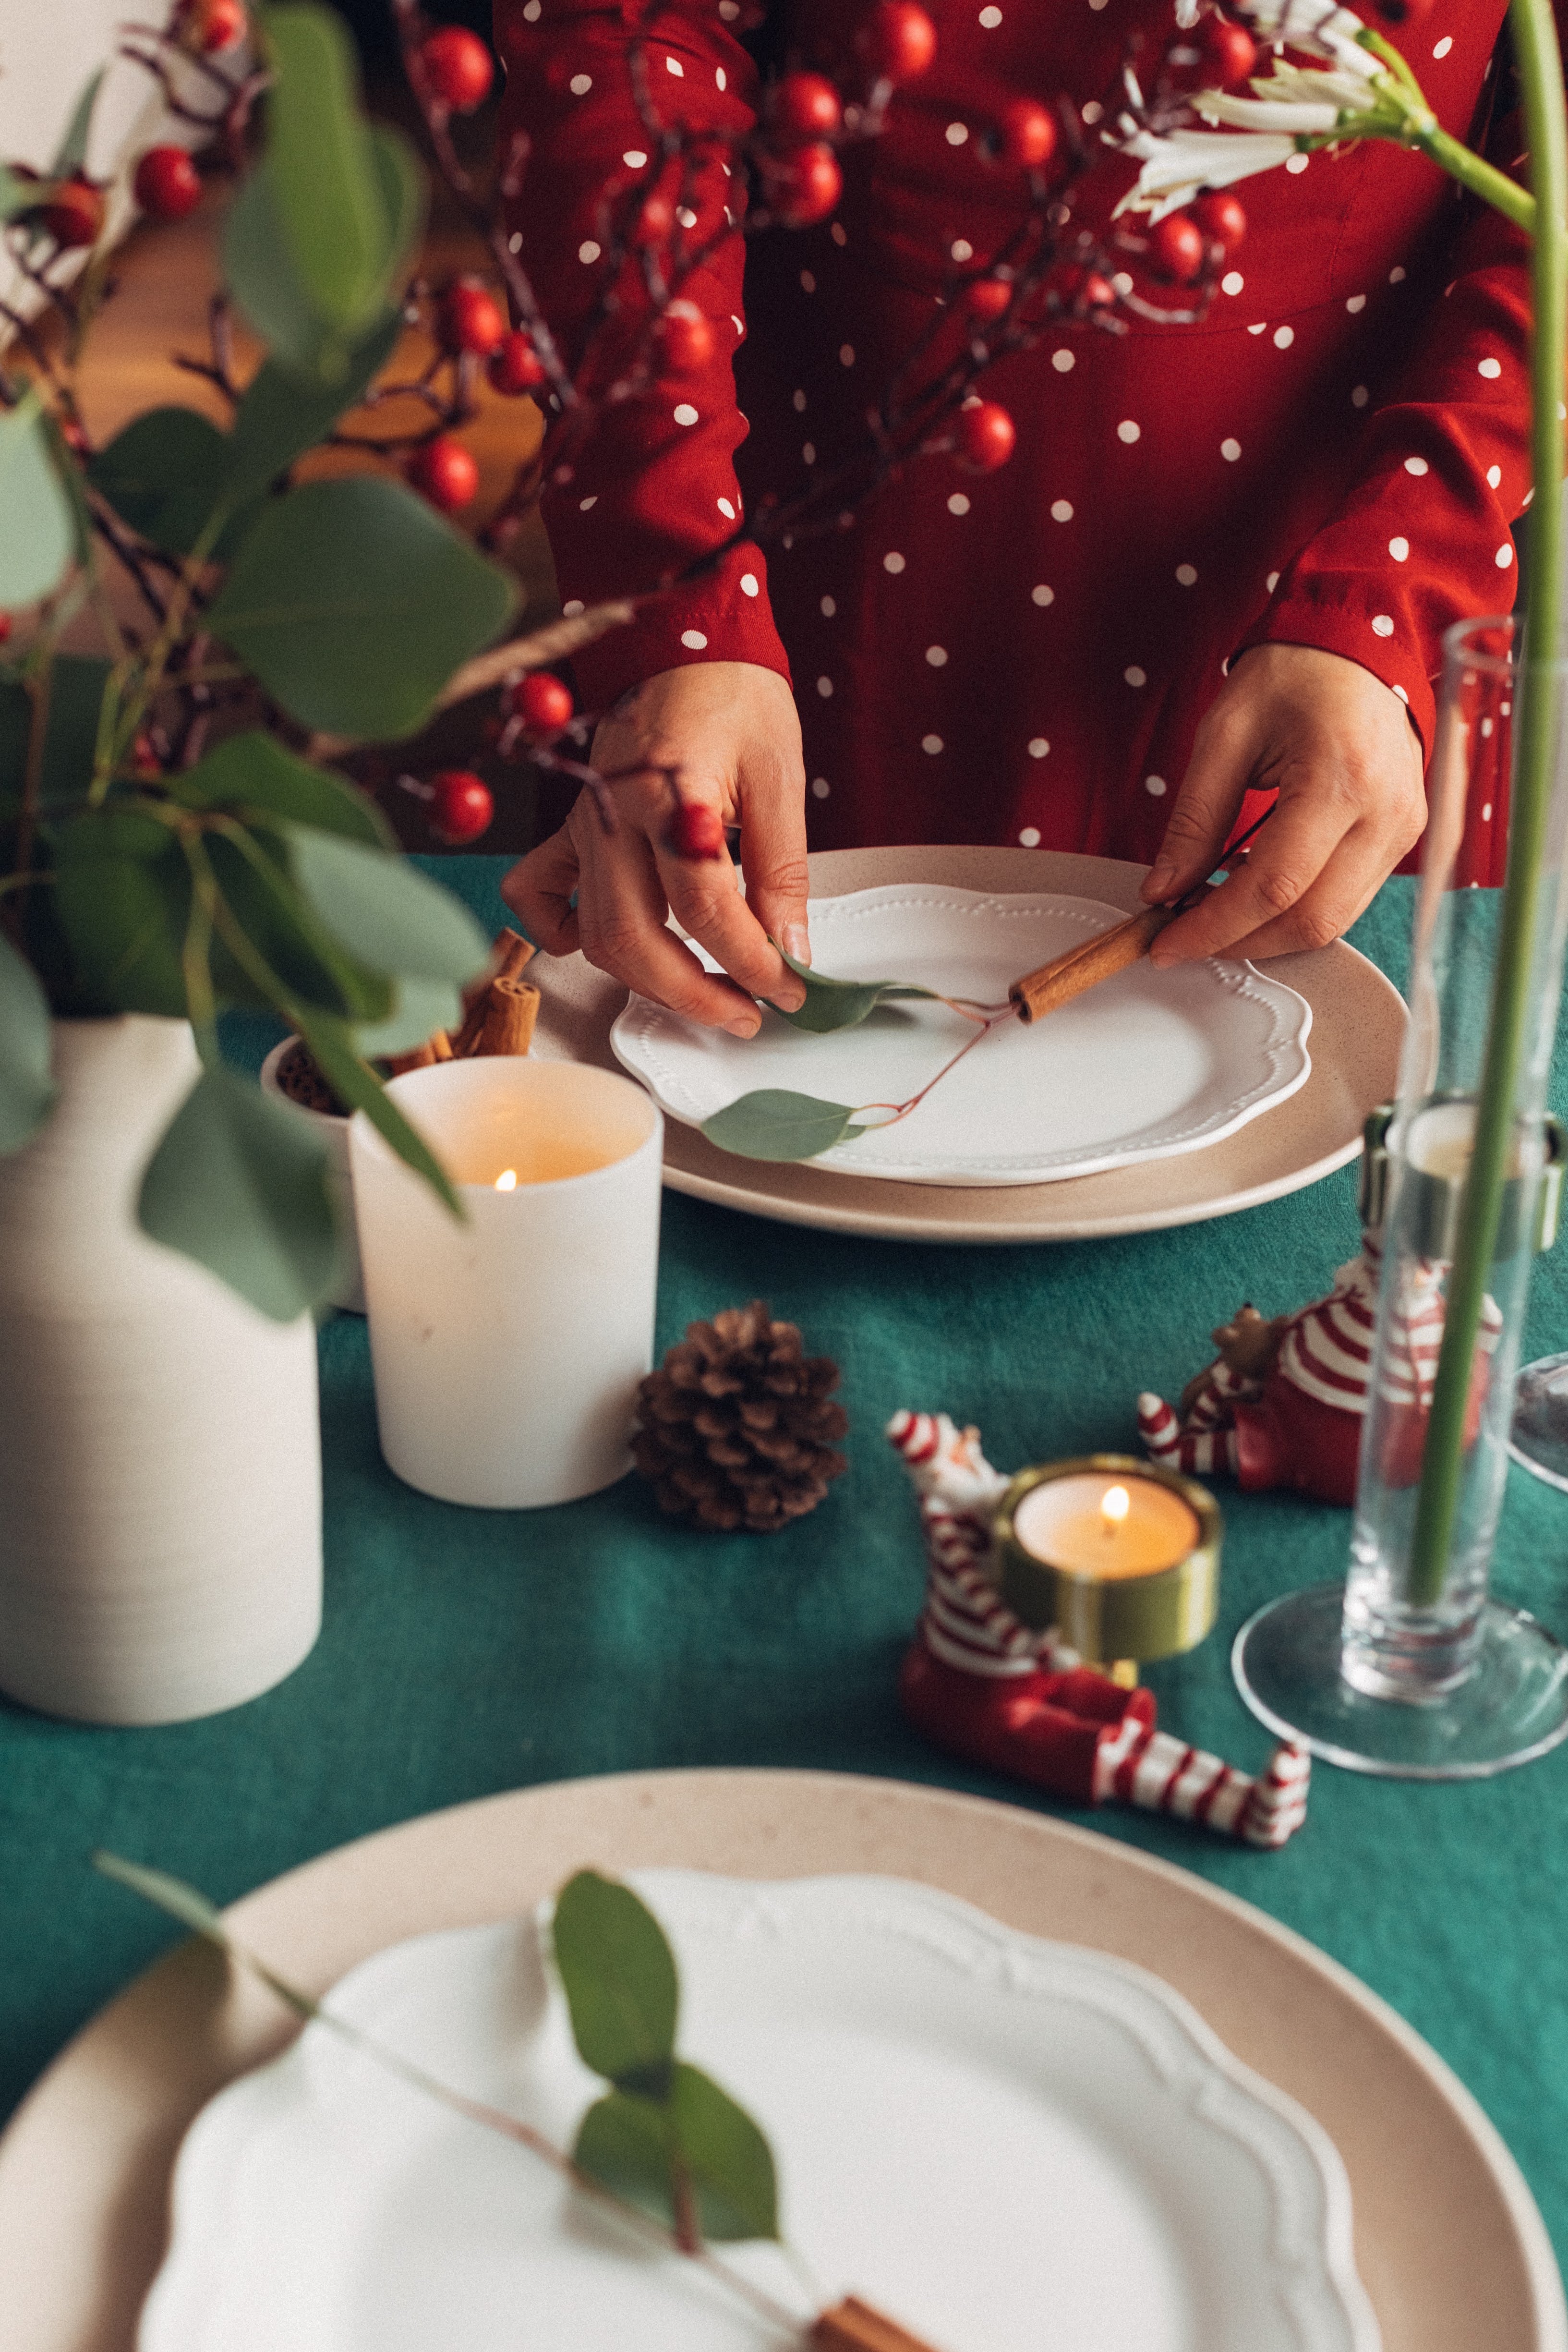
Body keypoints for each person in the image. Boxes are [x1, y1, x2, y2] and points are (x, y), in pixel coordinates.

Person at [495, 0, 1532, 1036]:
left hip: (1342, 629)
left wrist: (1392, 585)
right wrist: (674, 585)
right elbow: (624, 39)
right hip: (804, 586)